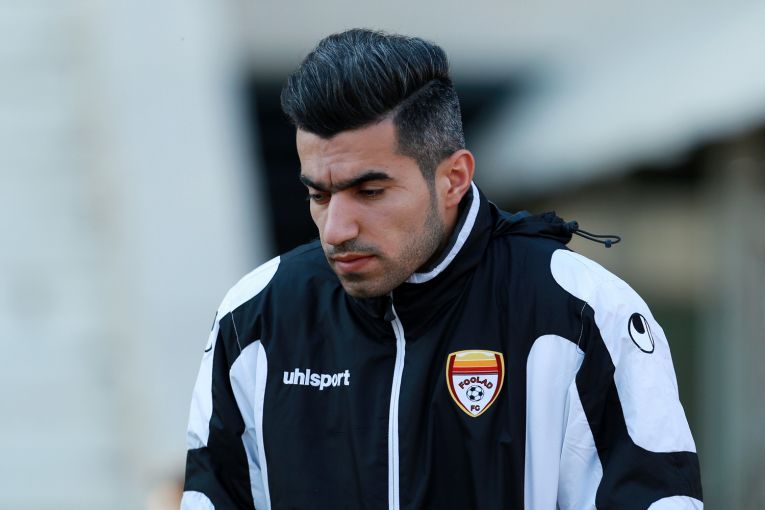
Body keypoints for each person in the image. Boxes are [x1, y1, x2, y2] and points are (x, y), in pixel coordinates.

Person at [181, 29, 703, 509]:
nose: (335, 229)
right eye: (319, 195)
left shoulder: (584, 313)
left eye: (370, 191)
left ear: (453, 178)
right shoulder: (255, 317)